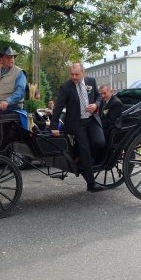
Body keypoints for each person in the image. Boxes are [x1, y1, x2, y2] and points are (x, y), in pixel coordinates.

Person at [50, 63, 106, 193]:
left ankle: (79, 155)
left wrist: (96, 105)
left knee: (100, 142)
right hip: (76, 123)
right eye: (72, 74)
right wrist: (53, 126)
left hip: (91, 120)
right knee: (85, 149)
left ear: (83, 73)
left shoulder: (91, 81)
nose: (74, 77)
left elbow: (98, 96)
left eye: (77, 74)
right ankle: (91, 184)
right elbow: (58, 107)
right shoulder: (66, 87)